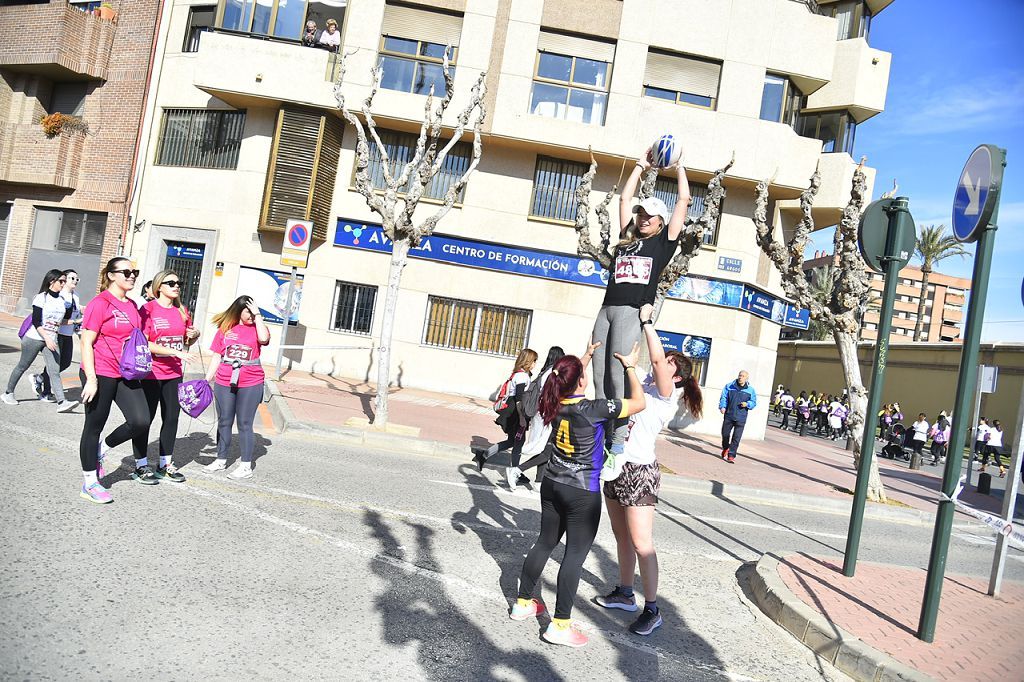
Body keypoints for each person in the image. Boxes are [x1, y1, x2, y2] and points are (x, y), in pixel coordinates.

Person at [510, 342, 647, 648]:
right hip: (581, 491)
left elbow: (566, 377)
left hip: (553, 483)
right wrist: (629, 366)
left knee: (544, 542)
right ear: (581, 380)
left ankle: (522, 603)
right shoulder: (594, 408)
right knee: (574, 555)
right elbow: (639, 402)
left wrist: (584, 357)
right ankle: (559, 625)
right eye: (582, 373)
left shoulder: (554, 401)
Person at [596, 303, 703, 636]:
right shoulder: (643, 381)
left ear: (677, 375)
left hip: (640, 472)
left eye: (669, 363)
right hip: (616, 467)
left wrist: (647, 321)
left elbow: (656, 360)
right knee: (621, 536)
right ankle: (626, 593)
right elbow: (636, 363)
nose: (661, 364)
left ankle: (652, 609)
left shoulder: (669, 393)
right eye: (665, 360)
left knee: (643, 543)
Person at [590, 145, 690, 460]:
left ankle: (617, 444)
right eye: (641, 214)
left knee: (618, 373)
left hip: (632, 313)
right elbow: (624, 199)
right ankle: (600, 433)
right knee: (599, 373)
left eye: (650, 215)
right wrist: (638, 166)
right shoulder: (626, 238)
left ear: (660, 222)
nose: (644, 218)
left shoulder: (663, 244)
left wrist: (679, 167)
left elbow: (684, 201)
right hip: (607, 310)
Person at [77, 258, 151, 503]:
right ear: (110, 275)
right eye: (126, 272)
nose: (132, 276)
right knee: (94, 426)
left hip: (125, 373)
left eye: (134, 272)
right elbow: (86, 342)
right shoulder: (100, 303)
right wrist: (91, 379)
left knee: (141, 420)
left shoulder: (132, 305)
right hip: (100, 372)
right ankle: (89, 483)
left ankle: (102, 449)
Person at [135, 269, 201, 482]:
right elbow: (144, 343)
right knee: (145, 420)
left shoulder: (182, 311)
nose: (176, 286)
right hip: (151, 373)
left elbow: (186, 341)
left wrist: (194, 335)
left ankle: (164, 465)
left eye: (178, 282)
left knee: (171, 418)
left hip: (173, 373)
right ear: (158, 287)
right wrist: (176, 351)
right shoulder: (148, 309)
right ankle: (141, 465)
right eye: (170, 282)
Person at [203, 296, 270, 479]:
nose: (251, 315)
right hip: (224, 380)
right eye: (248, 311)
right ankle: (220, 459)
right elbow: (217, 356)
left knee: (244, 423)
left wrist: (257, 316)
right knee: (224, 420)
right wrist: (207, 379)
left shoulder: (258, 328)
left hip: (251, 381)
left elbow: (264, 339)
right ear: (238, 310)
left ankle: (246, 466)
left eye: (254, 311)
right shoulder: (226, 328)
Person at [2, 269, 78, 412]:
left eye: (64, 281)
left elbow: (59, 321)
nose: (63, 283)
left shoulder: (61, 300)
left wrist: (76, 321)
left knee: (54, 370)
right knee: (22, 366)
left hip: (51, 339)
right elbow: (37, 322)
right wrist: (47, 339)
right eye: (61, 281)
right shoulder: (41, 298)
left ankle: (62, 402)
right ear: (52, 282)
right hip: (35, 337)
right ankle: (8, 393)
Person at [474, 348, 538, 489]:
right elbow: (519, 398)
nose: (535, 364)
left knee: (512, 441)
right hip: (516, 412)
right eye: (534, 361)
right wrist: (522, 417)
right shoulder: (521, 377)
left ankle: (483, 455)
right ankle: (514, 471)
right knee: (518, 443)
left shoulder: (518, 374)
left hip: (512, 411)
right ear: (528, 361)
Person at [508, 346, 565, 488]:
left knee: (547, 448)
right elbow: (550, 395)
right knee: (547, 449)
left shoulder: (545, 372)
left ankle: (539, 482)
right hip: (546, 415)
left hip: (542, 414)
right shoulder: (552, 373)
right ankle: (517, 470)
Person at [33, 268, 82, 401]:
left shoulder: (75, 296)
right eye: (72, 278)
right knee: (54, 364)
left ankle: (40, 378)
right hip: (57, 333)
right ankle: (46, 391)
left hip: (68, 334)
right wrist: (75, 321)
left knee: (65, 363)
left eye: (77, 279)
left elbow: (77, 316)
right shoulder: (59, 296)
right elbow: (57, 319)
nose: (75, 281)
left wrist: (78, 328)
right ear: (64, 280)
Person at [719, 370, 756, 462]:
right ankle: (726, 447)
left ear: (746, 378)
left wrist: (747, 404)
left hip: (741, 417)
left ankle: (731, 455)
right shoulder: (729, 386)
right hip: (729, 415)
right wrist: (722, 407)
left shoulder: (750, 390)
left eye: (743, 376)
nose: (740, 377)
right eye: (740, 375)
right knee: (725, 434)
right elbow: (724, 397)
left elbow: (753, 402)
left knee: (736, 437)